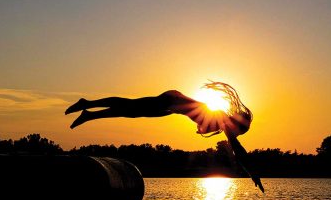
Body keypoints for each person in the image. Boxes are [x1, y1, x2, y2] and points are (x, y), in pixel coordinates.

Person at [65, 82, 264, 192]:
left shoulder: (221, 121)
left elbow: (236, 147)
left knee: (131, 111)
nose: (235, 134)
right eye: (239, 130)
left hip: (171, 106)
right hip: (171, 100)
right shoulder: (221, 117)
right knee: (130, 106)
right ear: (237, 124)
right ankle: (88, 103)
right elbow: (238, 149)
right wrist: (253, 173)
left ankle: (89, 114)